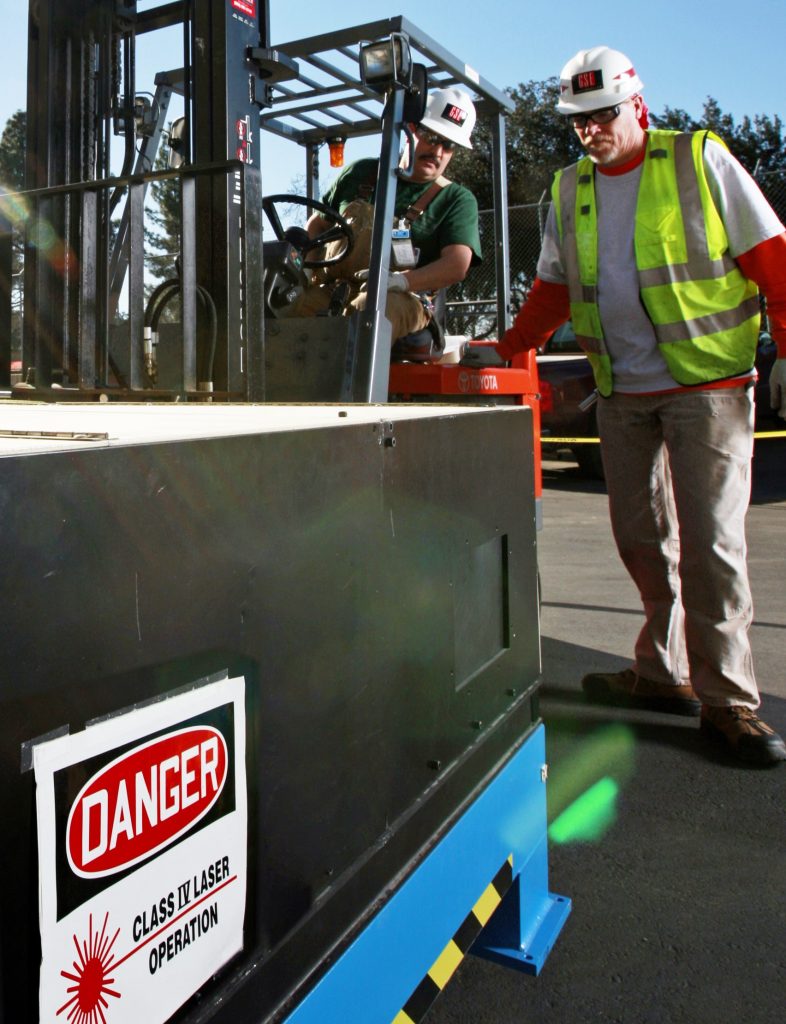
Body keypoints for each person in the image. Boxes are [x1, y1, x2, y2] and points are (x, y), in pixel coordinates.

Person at [496, 45, 786, 765]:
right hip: (621, 391)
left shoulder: (697, 160)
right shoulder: (570, 190)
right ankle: (661, 673)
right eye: (579, 122)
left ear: (637, 105)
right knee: (640, 539)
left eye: (603, 116)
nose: (592, 131)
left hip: (707, 389)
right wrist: (507, 349)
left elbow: (772, 257)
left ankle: (729, 701)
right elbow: (554, 289)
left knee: (712, 546)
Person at [291, 86, 482, 354]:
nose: (438, 152)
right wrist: (307, 268)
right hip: (334, 288)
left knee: (365, 314)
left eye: (449, 145)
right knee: (286, 310)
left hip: (404, 298)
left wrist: (403, 281)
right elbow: (318, 223)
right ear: (411, 128)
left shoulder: (455, 199)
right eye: (431, 137)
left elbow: (457, 264)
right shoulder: (362, 173)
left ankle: (342, 394)